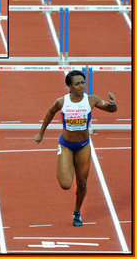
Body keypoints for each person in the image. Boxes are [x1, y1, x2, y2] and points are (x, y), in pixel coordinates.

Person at [34, 70, 117, 226]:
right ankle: (64, 165)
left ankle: (77, 212)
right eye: (77, 83)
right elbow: (50, 113)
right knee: (66, 184)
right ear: (69, 86)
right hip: (66, 145)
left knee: (82, 183)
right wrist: (41, 133)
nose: (81, 86)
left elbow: (111, 110)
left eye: (83, 83)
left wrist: (112, 102)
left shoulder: (91, 100)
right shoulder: (62, 102)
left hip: (83, 146)